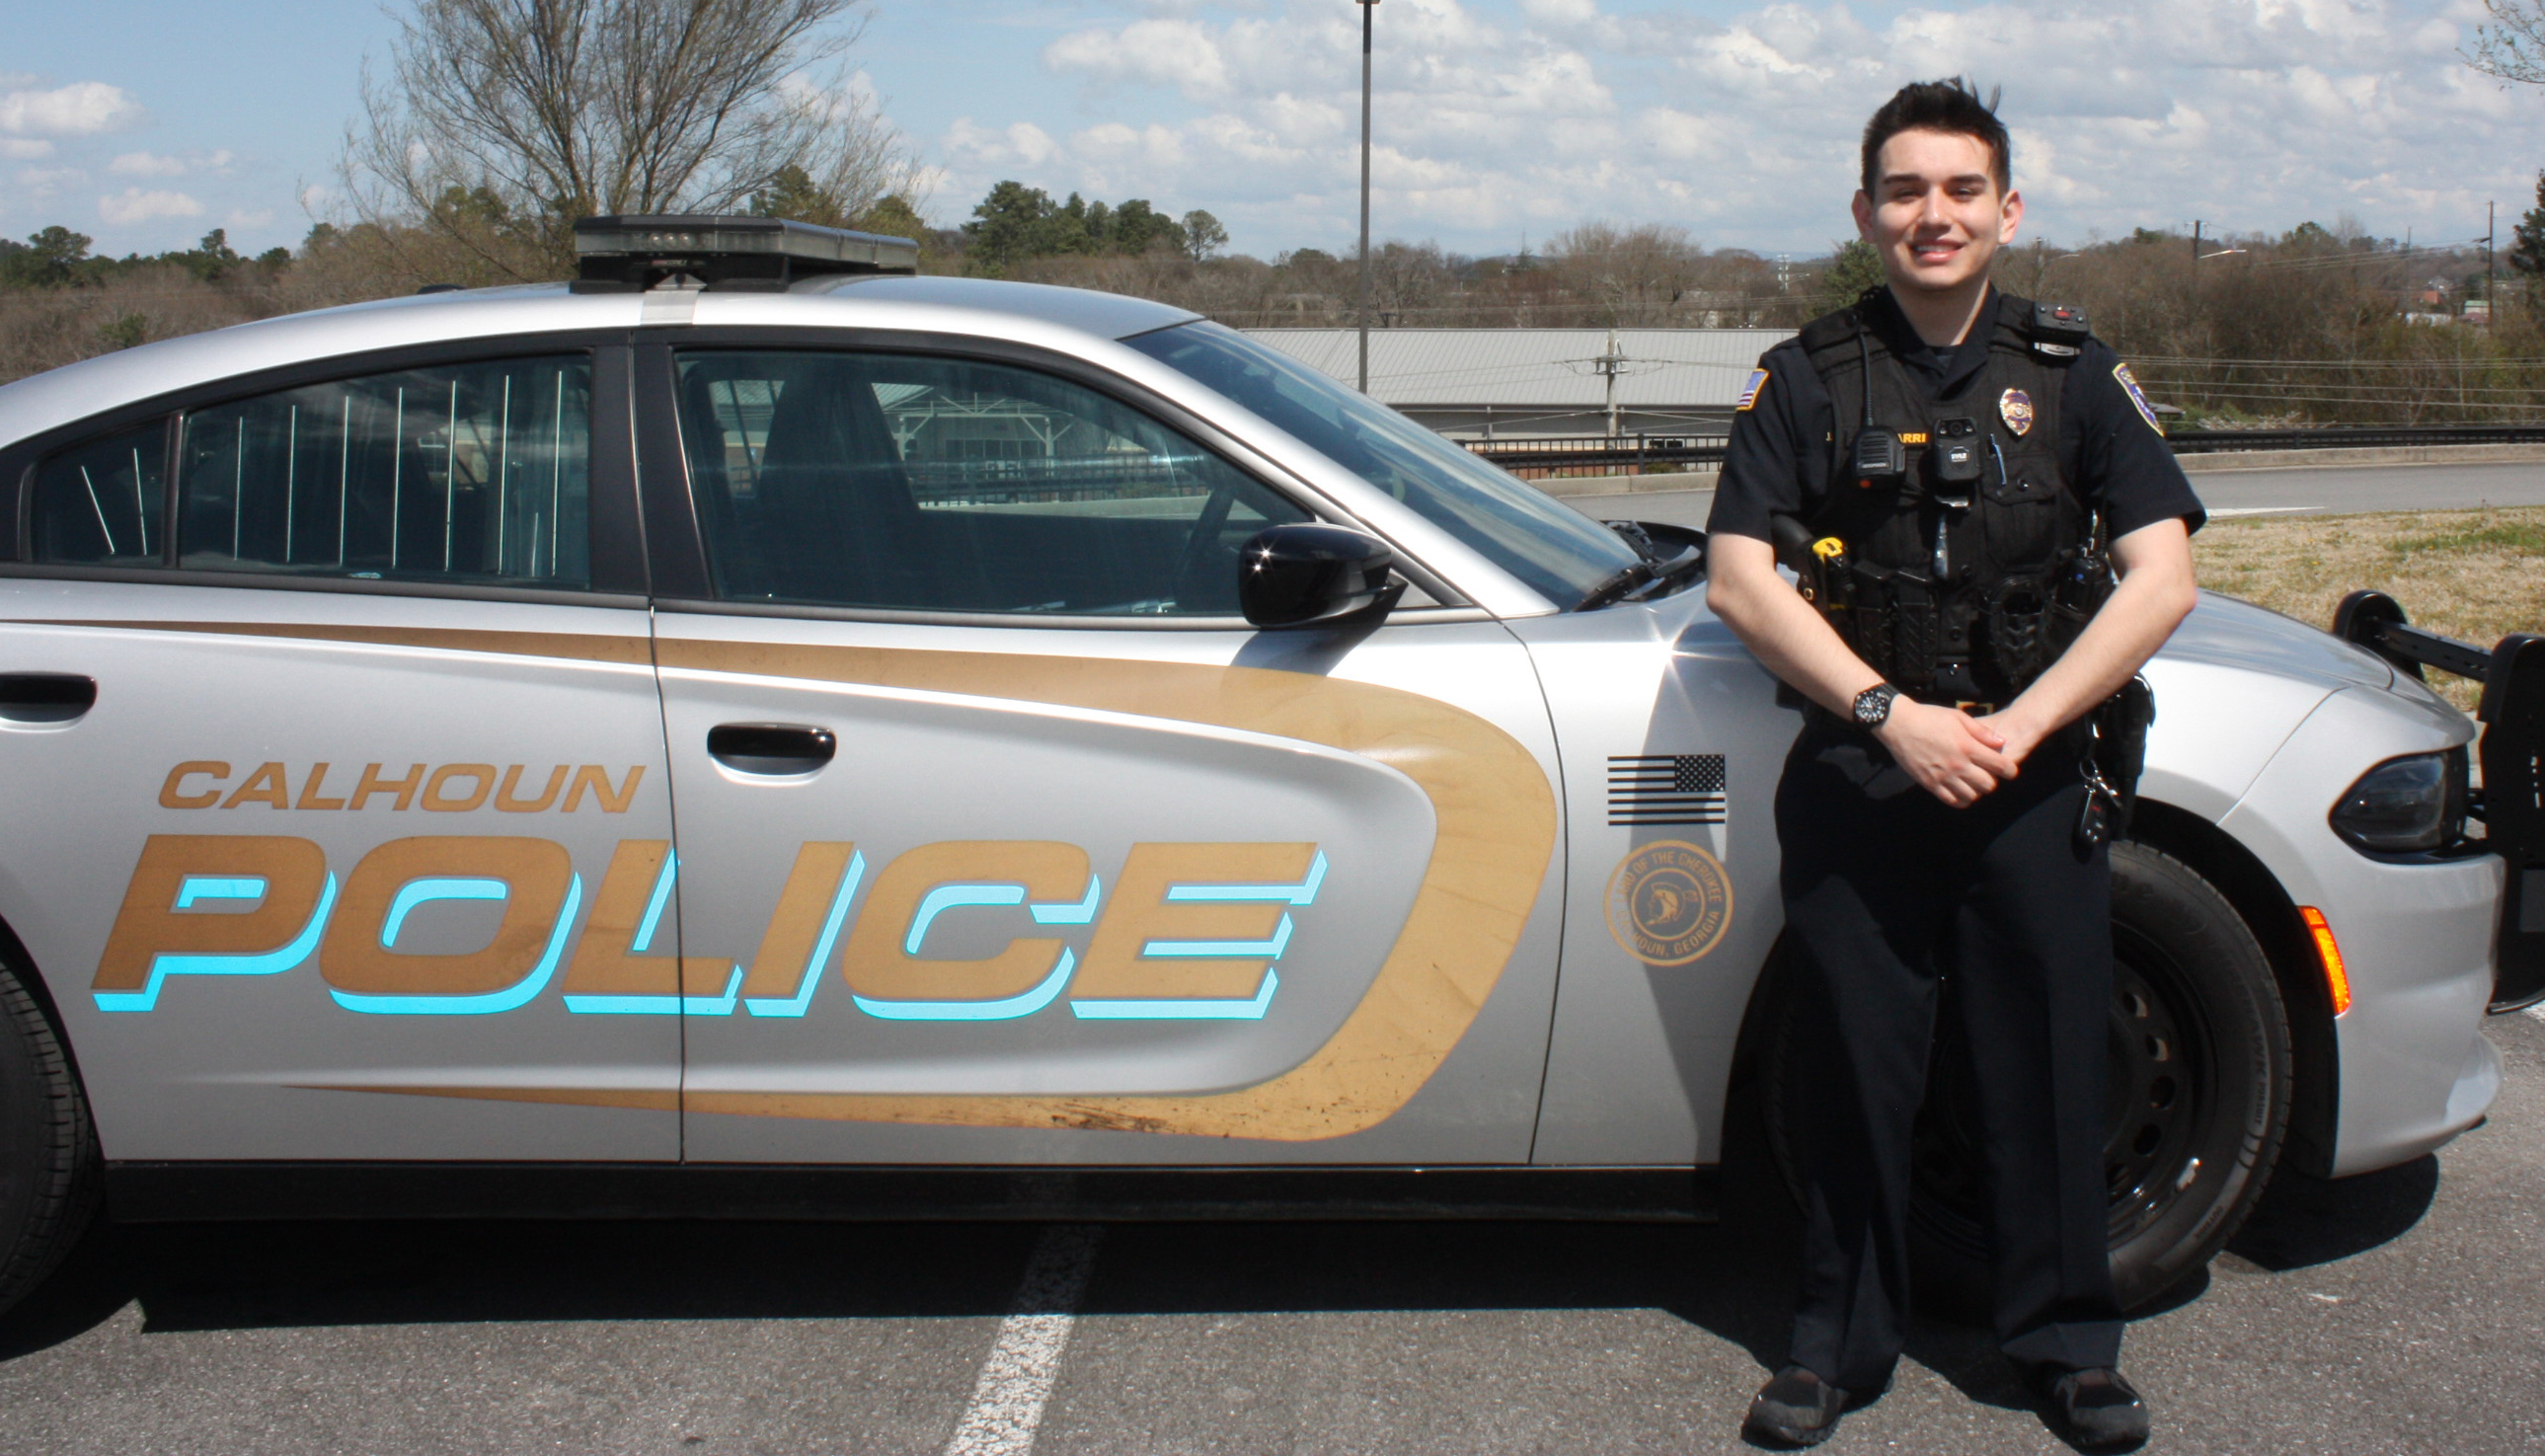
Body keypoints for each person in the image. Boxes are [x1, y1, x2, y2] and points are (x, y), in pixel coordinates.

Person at [1704, 79, 2202, 1450]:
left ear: (2005, 208)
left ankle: (2063, 1347)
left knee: (2042, 1067)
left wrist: (2021, 725)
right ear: (1865, 211)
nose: (1934, 215)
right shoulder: (1803, 374)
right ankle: (1835, 1346)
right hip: (1866, 779)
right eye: (1906, 191)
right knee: (1853, 1071)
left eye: (1961, 190)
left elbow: (2161, 580)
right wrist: (1889, 718)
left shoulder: (2075, 373)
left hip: (2029, 780)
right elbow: (1739, 579)